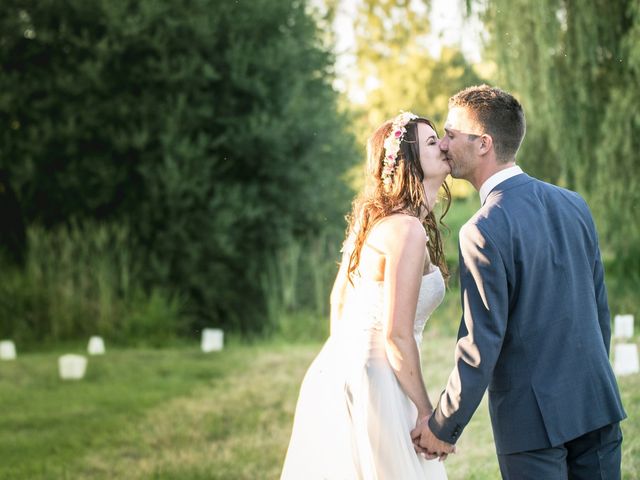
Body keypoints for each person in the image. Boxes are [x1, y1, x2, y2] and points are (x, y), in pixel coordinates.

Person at [411, 85, 627, 479]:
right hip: (596, 403)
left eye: (451, 134)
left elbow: (480, 344)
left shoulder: (482, 229)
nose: (443, 145)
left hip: (533, 424)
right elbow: (600, 312)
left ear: (484, 144)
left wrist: (443, 425)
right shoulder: (574, 203)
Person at [281, 112, 452, 479]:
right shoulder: (406, 230)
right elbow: (395, 335)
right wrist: (428, 415)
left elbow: (338, 299)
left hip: (351, 368)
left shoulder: (377, 222)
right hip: (379, 378)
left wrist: (342, 361)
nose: (443, 145)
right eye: (431, 142)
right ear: (409, 162)